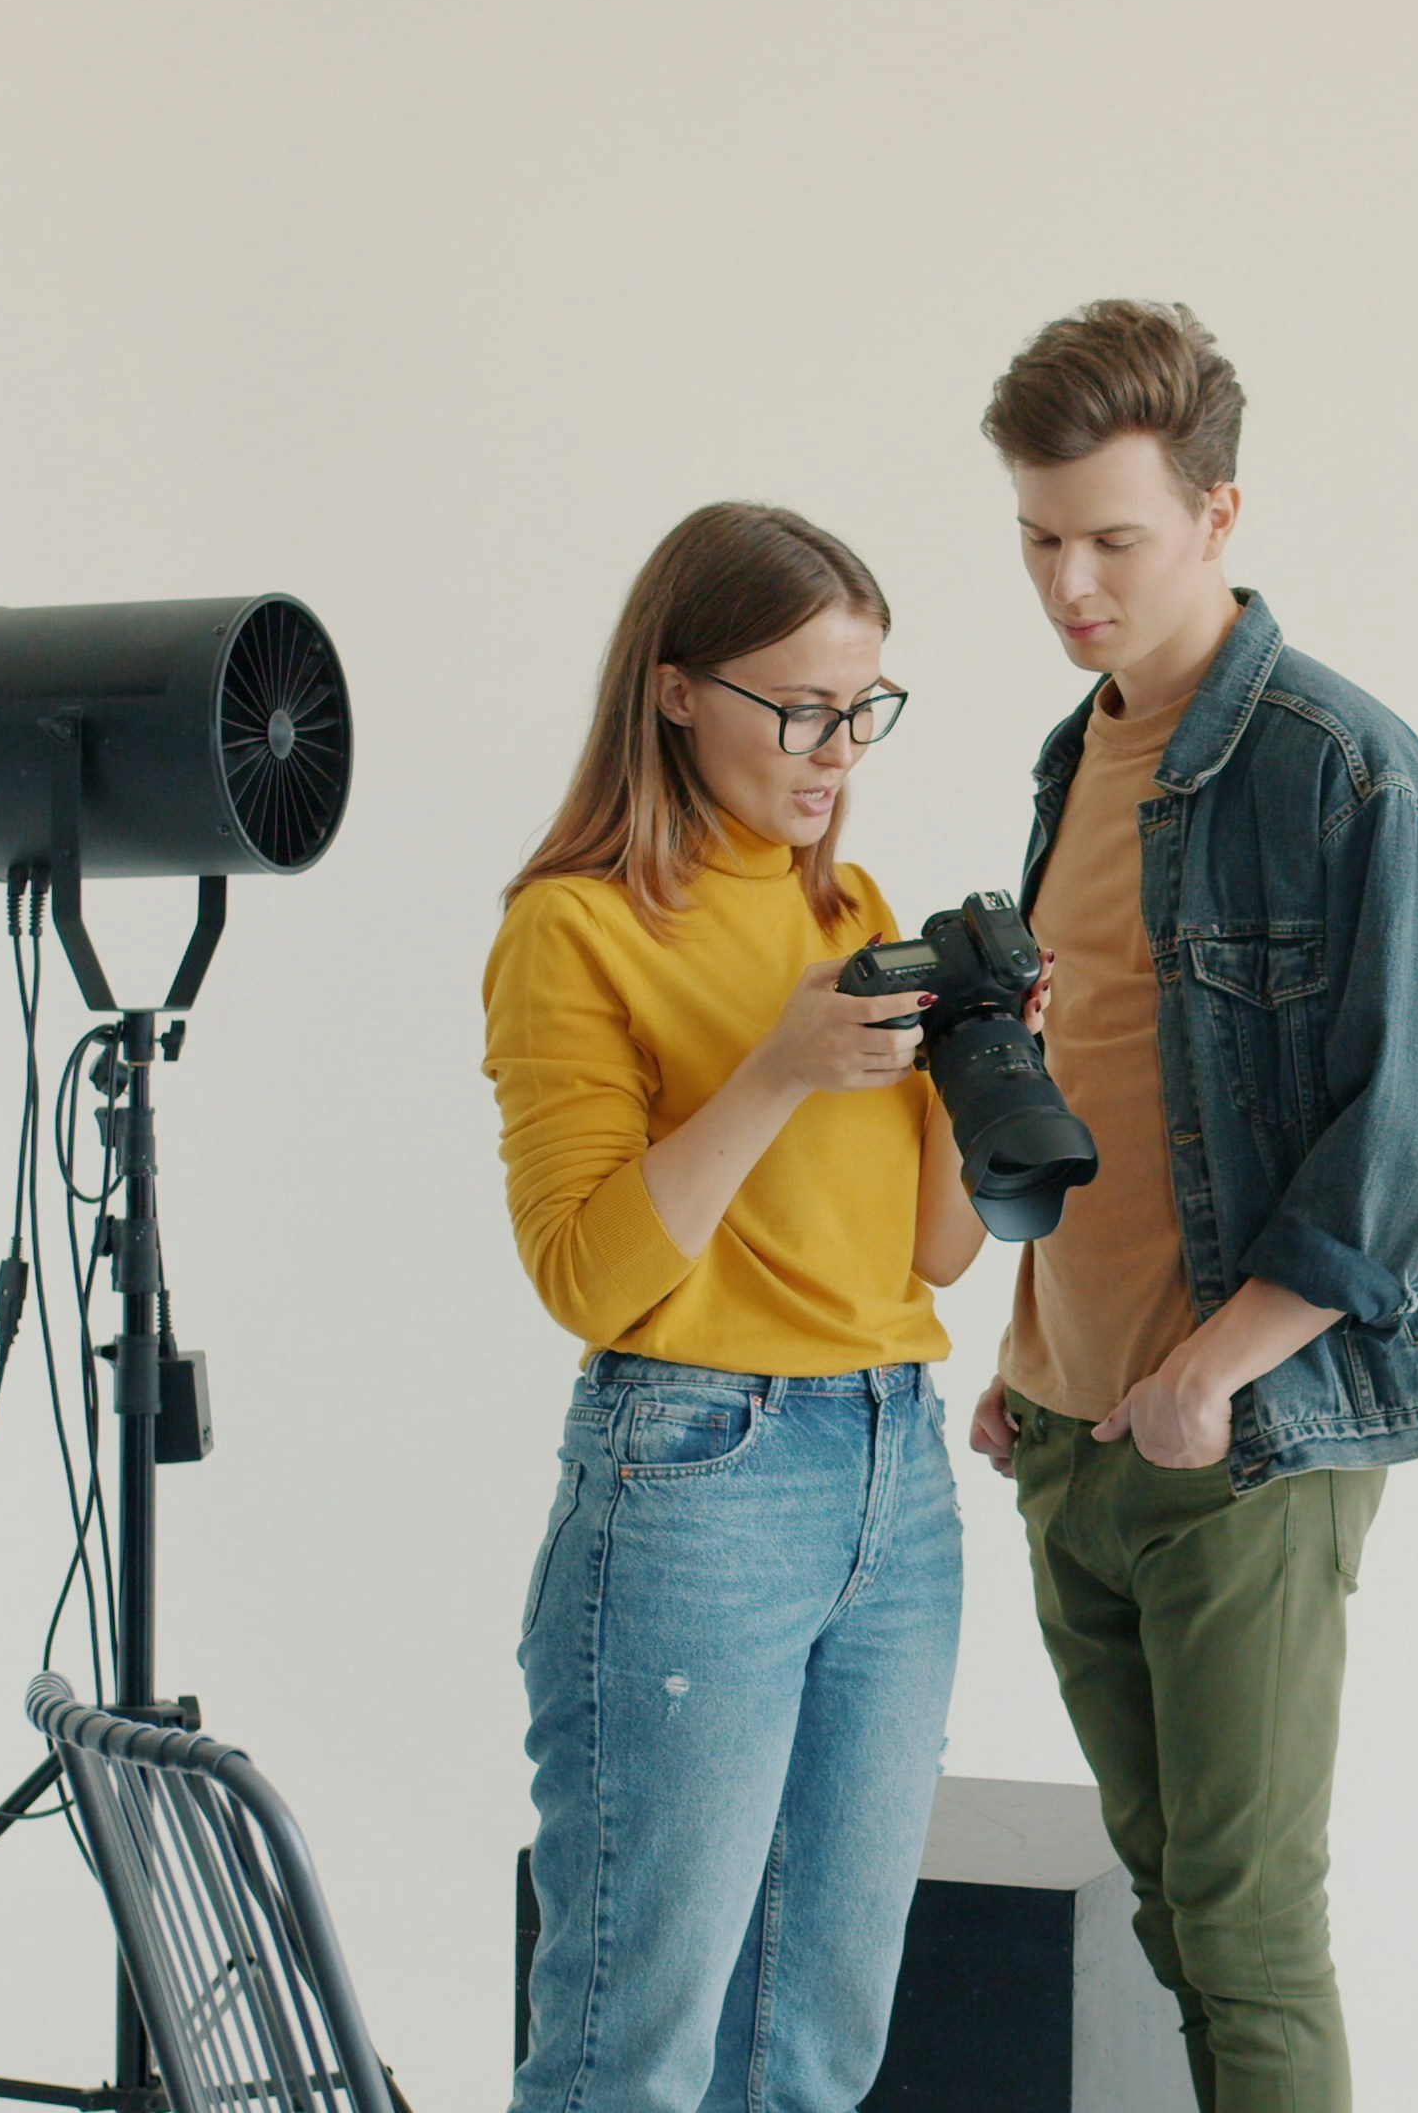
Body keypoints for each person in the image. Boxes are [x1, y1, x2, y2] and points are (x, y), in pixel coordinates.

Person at [967, 301, 1418, 2113]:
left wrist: (1222, 1366)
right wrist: (1023, 1348)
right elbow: (1092, 1082)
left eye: (1112, 541)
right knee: (1169, 1914)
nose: (1070, 584)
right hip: (1072, 1423)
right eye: (1040, 540)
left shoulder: (1340, 769)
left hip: (1241, 1433)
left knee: (1249, 1921)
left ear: (1220, 517)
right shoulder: (1076, 760)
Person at [484, 501, 997, 2113]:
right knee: (632, 2038)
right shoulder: (571, 926)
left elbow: (932, 1256)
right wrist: (777, 1069)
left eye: (865, 708)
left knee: (816, 2045)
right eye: (802, 707)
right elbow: (588, 1272)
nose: (838, 749)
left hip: (891, 1475)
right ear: (678, 690)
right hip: (696, 1474)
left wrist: (992, 1067)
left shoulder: (856, 912)